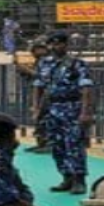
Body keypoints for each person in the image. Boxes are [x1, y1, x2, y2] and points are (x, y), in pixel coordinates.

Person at [33, 30, 93, 194]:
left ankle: (79, 179)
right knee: (57, 145)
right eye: (52, 43)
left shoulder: (76, 64)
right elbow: (38, 86)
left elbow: (86, 88)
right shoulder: (44, 63)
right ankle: (66, 177)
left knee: (74, 144)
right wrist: (36, 107)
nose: (55, 46)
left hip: (71, 107)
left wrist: (85, 112)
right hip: (51, 108)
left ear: (66, 45)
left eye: (59, 43)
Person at [13, 41, 51, 154]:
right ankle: (41, 143)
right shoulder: (38, 62)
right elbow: (32, 78)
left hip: (48, 94)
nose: (36, 52)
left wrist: (27, 70)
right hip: (37, 93)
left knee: (45, 118)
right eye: (34, 49)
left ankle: (49, 144)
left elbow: (43, 77)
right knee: (39, 119)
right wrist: (21, 70)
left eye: (39, 49)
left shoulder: (49, 61)